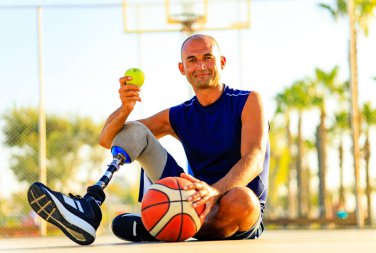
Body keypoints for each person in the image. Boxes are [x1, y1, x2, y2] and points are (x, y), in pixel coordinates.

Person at [27, 34, 270, 245]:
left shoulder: (248, 101)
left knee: (243, 200)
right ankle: (90, 206)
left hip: (235, 210)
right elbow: (108, 139)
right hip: (190, 201)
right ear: (182, 68)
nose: (201, 66)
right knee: (136, 131)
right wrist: (125, 109)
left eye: (208, 57)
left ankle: (160, 224)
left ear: (222, 62)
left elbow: (254, 158)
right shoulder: (179, 115)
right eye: (192, 60)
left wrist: (214, 191)